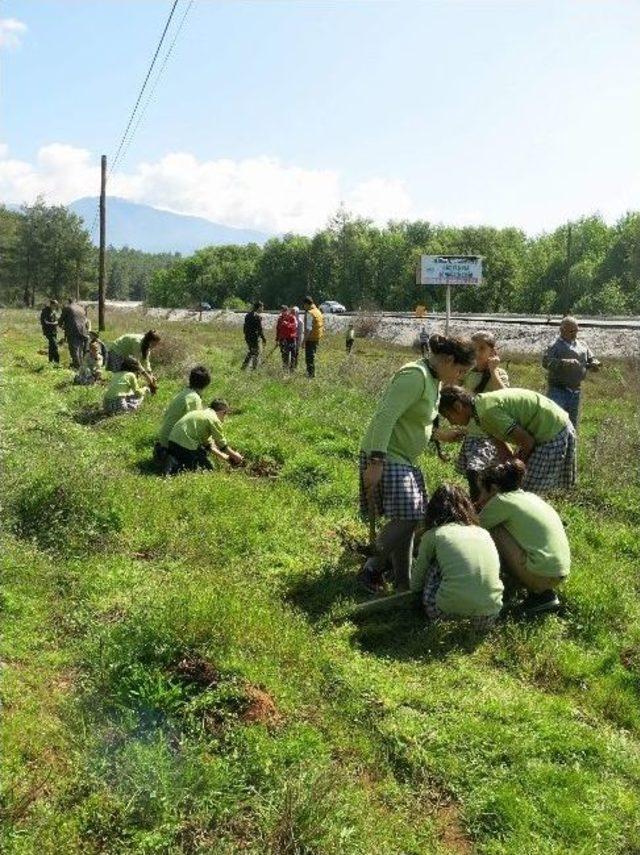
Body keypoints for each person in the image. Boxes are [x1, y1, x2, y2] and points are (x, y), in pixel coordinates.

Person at [358, 334, 474, 593]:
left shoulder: (435, 381)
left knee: (409, 518)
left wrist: (442, 435)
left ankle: (403, 583)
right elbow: (385, 416)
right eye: (460, 370)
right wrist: (376, 461)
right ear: (449, 360)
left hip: (406, 458)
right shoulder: (415, 376)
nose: (460, 377)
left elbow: (419, 421)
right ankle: (370, 569)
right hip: (387, 453)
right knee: (411, 515)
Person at [439, 386, 577, 493]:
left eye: (449, 416)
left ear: (458, 407)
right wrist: (506, 472)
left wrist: (514, 471)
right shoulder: (479, 413)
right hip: (542, 431)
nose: (451, 423)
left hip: (553, 431)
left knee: (526, 490)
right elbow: (503, 449)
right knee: (515, 487)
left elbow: (528, 442)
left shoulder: (487, 411)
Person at [478, 459, 571, 616]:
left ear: (493, 489)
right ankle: (541, 593)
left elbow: (471, 529)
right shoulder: (530, 497)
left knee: (493, 530)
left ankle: (506, 586)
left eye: (482, 491)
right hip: (558, 572)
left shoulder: (501, 500)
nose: (480, 496)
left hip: (541, 573)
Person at [410, 484, 503, 629]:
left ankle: (448, 605)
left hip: (445, 614)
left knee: (435, 565)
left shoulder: (435, 534)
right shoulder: (483, 532)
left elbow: (418, 580)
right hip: (489, 615)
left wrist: (412, 590)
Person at [456, 331, 510, 500]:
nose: (477, 353)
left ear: (492, 352)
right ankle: (478, 506)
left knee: (478, 471)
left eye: (482, 349)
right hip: (472, 434)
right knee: (476, 475)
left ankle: (481, 507)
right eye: (474, 349)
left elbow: (506, 396)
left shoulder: (499, 374)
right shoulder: (469, 374)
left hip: (490, 435)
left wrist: (493, 370)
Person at [542, 315, 601, 428]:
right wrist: (563, 362)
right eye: (571, 331)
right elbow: (546, 363)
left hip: (576, 391)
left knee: (572, 426)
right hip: (558, 390)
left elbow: (591, 359)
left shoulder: (582, 345)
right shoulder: (554, 346)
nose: (575, 334)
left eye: (576, 331)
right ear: (562, 330)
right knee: (555, 423)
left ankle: (571, 445)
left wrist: (595, 364)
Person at [167, 399, 244, 473]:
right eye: (226, 414)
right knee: (206, 469)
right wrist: (235, 455)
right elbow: (221, 444)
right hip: (185, 445)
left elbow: (208, 445)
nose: (224, 418)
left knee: (196, 461)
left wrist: (225, 457)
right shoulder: (214, 419)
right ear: (223, 412)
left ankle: (172, 466)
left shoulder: (202, 414)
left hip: (172, 442)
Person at [154, 365, 211, 460]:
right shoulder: (194, 398)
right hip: (173, 442)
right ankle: (172, 458)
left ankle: (164, 454)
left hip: (163, 440)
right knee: (202, 453)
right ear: (206, 384)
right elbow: (197, 428)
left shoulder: (183, 393)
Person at [58, 298, 90, 368]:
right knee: (80, 348)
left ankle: (77, 366)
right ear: (75, 301)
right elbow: (85, 319)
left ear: (68, 301)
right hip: (83, 330)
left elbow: (61, 319)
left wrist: (60, 325)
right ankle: (82, 364)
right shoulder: (81, 308)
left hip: (73, 330)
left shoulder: (67, 308)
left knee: (73, 348)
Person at [302, 296, 324, 378]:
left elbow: (308, 329)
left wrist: (303, 341)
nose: (303, 307)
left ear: (306, 304)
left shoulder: (310, 313)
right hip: (316, 337)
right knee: (312, 356)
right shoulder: (317, 311)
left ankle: (310, 375)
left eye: (304, 305)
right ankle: (312, 374)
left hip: (310, 339)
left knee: (309, 358)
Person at [242, 302, 266, 370]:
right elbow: (260, 329)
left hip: (247, 337)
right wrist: (263, 338)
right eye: (262, 307)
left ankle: (244, 367)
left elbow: (245, 327)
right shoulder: (257, 316)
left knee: (251, 351)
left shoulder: (247, 315)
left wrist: (246, 335)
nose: (263, 308)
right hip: (254, 338)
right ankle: (254, 369)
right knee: (256, 353)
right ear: (259, 307)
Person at [275, 305, 298, 371]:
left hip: (291, 339)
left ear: (287, 311)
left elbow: (294, 326)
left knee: (293, 355)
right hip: (282, 339)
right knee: (284, 355)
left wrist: (287, 324)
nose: (283, 313)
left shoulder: (292, 317)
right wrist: (277, 339)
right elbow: (278, 330)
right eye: (282, 311)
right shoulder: (280, 319)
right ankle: (285, 369)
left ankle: (292, 370)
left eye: (284, 311)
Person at [39, 299, 60, 364]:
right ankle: (57, 362)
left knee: (51, 346)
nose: (55, 307)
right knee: (55, 345)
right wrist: (55, 323)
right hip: (48, 331)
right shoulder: (45, 311)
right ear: (51, 304)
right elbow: (45, 322)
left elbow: (57, 320)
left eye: (56, 306)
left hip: (54, 331)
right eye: (54, 305)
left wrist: (56, 322)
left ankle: (50, 361)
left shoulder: (54, 311)